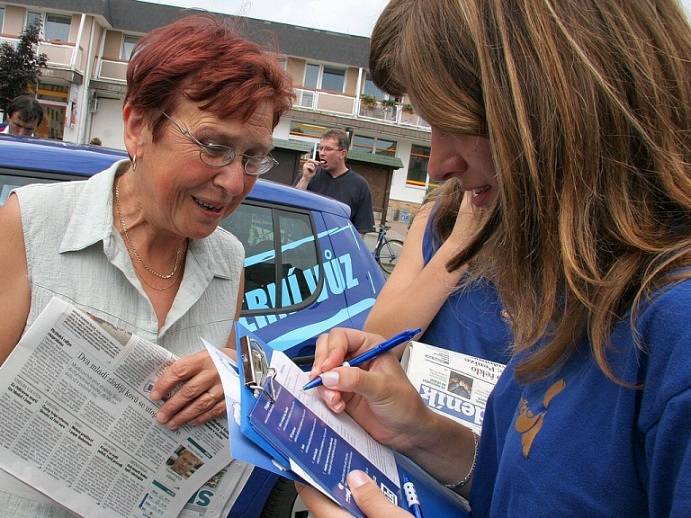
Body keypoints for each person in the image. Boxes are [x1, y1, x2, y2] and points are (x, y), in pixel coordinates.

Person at [300, 0, 690, 516]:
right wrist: (424, 434)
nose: (438, 164)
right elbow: (539, 484)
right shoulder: (576, 299)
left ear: (562, 105)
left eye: (455, 121)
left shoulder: (674, 325)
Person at [0, 14, 292, 517]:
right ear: (138, 127)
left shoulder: (231, 259)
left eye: (252, 157)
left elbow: (242, 382)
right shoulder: (32, 221)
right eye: (214, 146)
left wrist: (237, 378)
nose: (232, 181)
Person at [364, 178, 511, 364]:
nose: (435, 169)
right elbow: (377, 340)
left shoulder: (554, 246)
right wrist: (460, 244)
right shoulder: (436, 216)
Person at [295, 129, 375, 233]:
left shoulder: (359, 185)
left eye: (328, 149)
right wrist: (305, 179)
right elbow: (292, 204)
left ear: (342, 154)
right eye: (320, 148)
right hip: (304, 240)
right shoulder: (309, 174)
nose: (322, 153)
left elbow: (361, 230)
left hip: (337, 245)